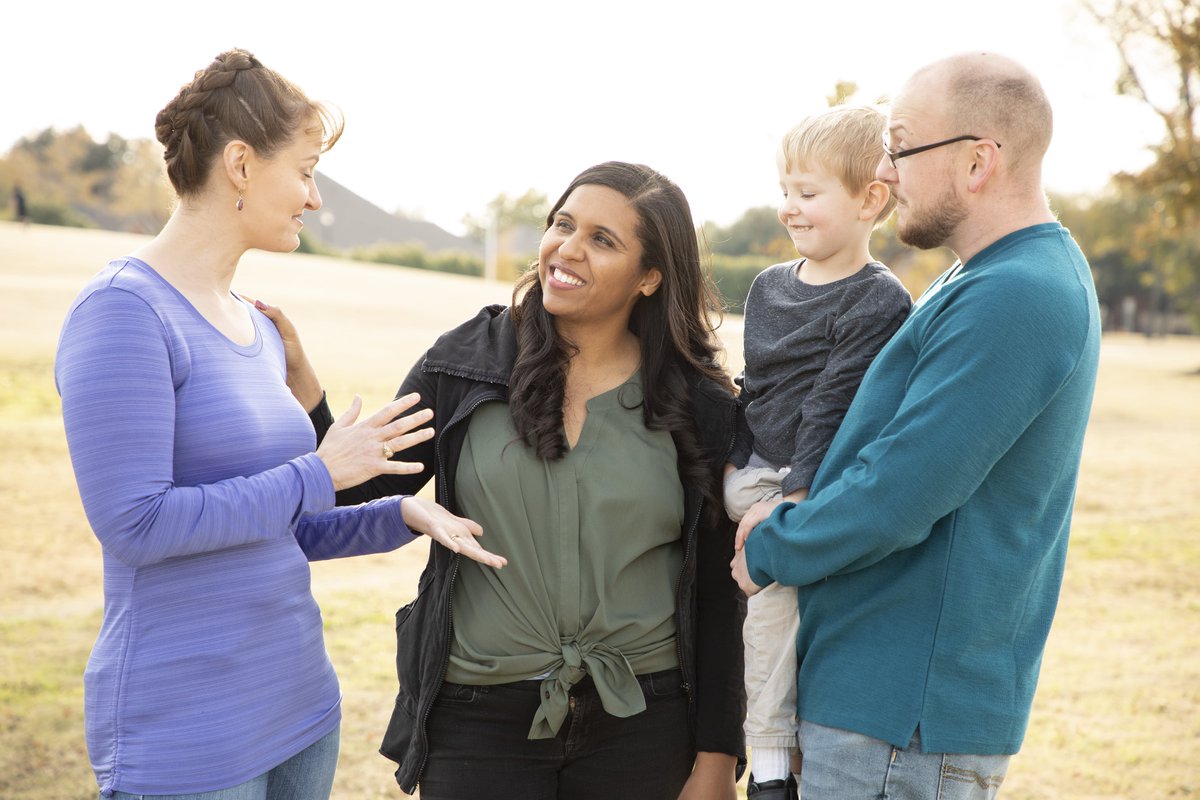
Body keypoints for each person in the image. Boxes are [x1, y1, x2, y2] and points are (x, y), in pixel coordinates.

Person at [54, 48, 504, 800]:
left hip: (300, 711)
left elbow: (281, 526)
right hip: (189, 732)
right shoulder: (124, 313)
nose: (315, 198)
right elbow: (136, 524)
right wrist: (321, 471)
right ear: (240, 164)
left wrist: (400, 513)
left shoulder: (259, 328)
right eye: (304, 171)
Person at [265, 161, 747, 799]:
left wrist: (716, 758)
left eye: (602, 240)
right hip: (477, 718)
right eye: (563, 225)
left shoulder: (698, 405)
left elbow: (719, 594)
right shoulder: (465, 362)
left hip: (645, 722)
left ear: (650, 277)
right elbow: (361, 491)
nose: (567, 249)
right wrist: (306, 390)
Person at [730, 52, 1102, 799]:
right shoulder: (978, 277)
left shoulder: (1018, 293)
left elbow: (900, 490)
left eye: (900, 147)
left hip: (901, 721)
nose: (885, 170)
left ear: (977, 162)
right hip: (874, 708)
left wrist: (772, 546)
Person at [724, 104, 911, 800]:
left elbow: (833, 403)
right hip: (757, 474)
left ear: (870, 200)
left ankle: (784, 759)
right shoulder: (769, 286)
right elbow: (756, 386)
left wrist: (796, 499)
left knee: (788, 613)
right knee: (771, 611)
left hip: (803, 480)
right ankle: (768, 765)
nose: (789, 208)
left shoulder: (878, 300)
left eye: (808, 192)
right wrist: (735, 465)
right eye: (785, 191)